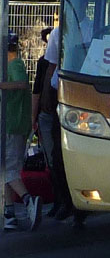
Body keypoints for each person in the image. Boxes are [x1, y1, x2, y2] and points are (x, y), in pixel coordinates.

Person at [42, 26, 87, 229]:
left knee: (74, 154)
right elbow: (51, 66)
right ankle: (65, 201)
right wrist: (46, 97)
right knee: (57, 154)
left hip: (80, 94)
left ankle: (78, 206)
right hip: (59, 94)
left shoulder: (88, 28)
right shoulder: (57, 33)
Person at [2, 33, 41, 232]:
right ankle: (9, 214)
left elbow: (22, 84)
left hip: (12, 125)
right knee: (8, 169)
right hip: (14, 125)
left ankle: (28, 201)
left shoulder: (14, 65)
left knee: (8, 170)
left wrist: (2, 86)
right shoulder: (12, 65)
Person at [31, 26, 59, 217]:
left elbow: (37, 92)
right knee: (56, 159)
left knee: (52, 159)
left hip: (48, 114)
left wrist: (33, 119)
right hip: (54, 113)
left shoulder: (44, 63)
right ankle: (60, 200)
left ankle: (60, 199)